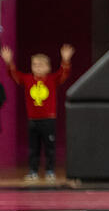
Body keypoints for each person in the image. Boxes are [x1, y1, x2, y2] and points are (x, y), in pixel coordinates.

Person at [1, 44, 74, 182]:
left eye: (41, 65)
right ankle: (33, 171)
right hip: (33, 120)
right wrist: (9, 62)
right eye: (35, 65)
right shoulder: (27, 79)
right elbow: (14, 75)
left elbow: (64, 73)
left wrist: (65, 60)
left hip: (48, 120)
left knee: (49, 148)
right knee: (33, 148)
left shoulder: (52, 79)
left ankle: (50, 171)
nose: (38, 68)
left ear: (48, 68)